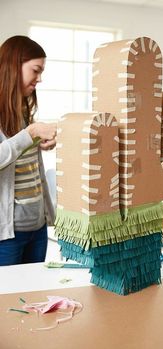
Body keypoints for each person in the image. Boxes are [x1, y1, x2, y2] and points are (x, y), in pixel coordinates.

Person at [0, 35, 57, 266]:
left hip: (38, 228)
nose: (39, 79)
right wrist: (30, 134)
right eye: (36, 70)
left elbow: (18, 154)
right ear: (14, 66)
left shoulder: (22, 112)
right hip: (8, 235)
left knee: (33, 298)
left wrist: (37, 146)